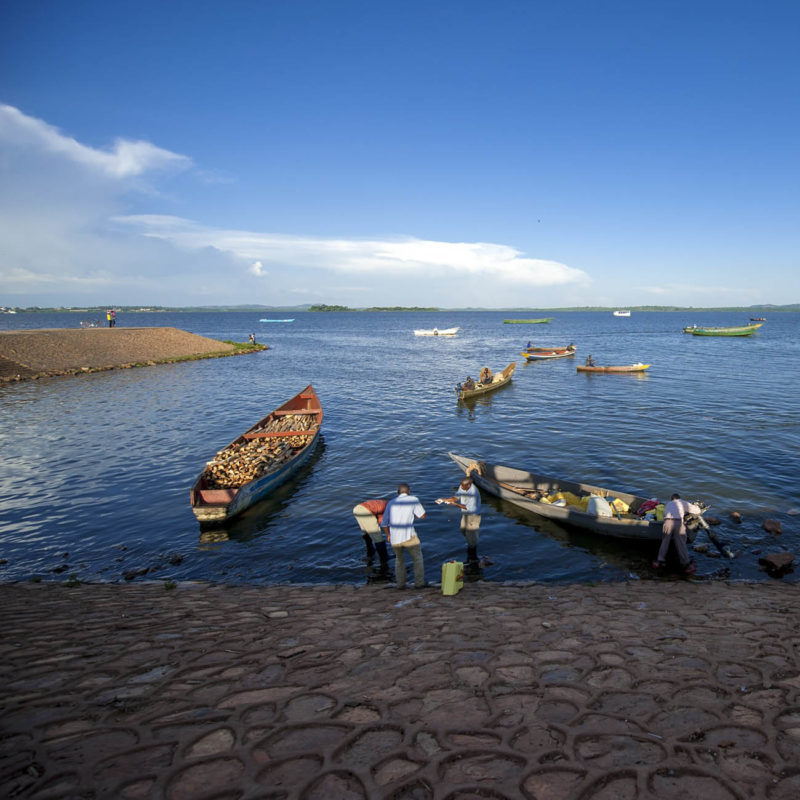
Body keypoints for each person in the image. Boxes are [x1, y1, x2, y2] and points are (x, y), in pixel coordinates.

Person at [381, 484, 426, 589]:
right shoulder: (413, 499)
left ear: (398, 492)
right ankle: (419, 584)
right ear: (408, 491)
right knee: (417, 559)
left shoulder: (391, 503)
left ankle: (400, 584)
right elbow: (422, 515)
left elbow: (384, 524)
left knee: (399, 561)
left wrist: (388, 535)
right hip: (409, 536)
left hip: (395, 538)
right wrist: (411, 514)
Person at [438, 476, 481, 566]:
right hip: (465, 514)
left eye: (463, 486)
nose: (461, 487)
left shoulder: (473, 493)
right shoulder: (463, 486)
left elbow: (467, 507)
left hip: (473, 516)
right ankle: (471, 542)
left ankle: (473, 559)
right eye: (461, 485)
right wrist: (447, 500)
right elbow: (457, 496)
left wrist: (455, 504)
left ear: (469, 485)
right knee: (462, 530)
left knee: (471, 537)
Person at [653, 494, 701, 573]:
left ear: (672, 499)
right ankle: (686, 564)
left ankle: (659, 561)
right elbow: (696, 510)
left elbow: (665, 514)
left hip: (667, 522)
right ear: (679, 498)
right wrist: (697, 507)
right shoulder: (682, 502)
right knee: (681, 543)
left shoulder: (668, 504)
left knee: (665, 542)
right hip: (678, 522)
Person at [352, 499, 390, 577]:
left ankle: (370, 552)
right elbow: (382, 522)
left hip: (357, 509)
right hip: (366, 511)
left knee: (366, 533)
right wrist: (388, 535)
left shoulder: (386, 503)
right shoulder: (391, 507)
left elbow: (379, 517)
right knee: (378, 536)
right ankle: (384, 560)